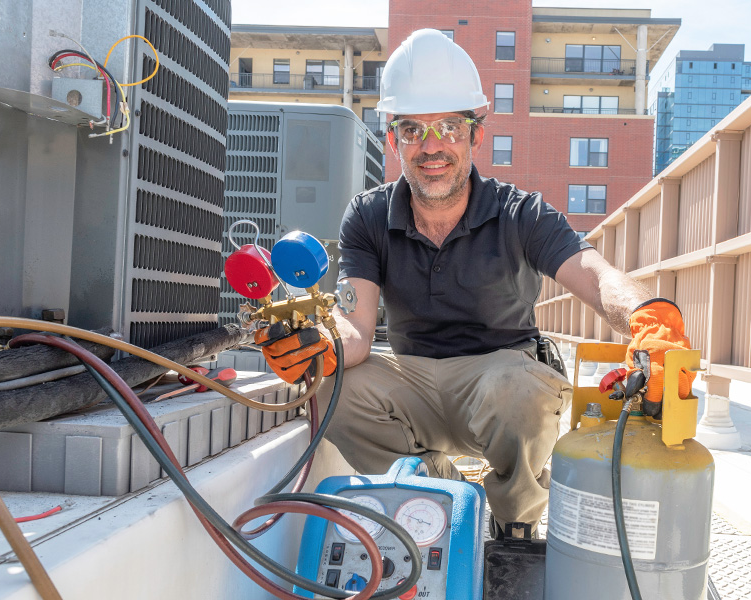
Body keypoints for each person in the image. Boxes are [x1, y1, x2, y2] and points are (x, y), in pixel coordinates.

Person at [258, 29, 695, 537]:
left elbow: (596, 275)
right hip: (414, 377)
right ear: (393, 138)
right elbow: (355, 327)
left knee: (518, 390)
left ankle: (515, 523)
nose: (432, 146)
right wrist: (322, 344)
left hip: (500, 377)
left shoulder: (521, 214)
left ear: (476, 134)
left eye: (448, 126)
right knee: (331, 386)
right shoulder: (369, 215)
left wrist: (651, 319)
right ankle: (437, 490)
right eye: (413, 130)